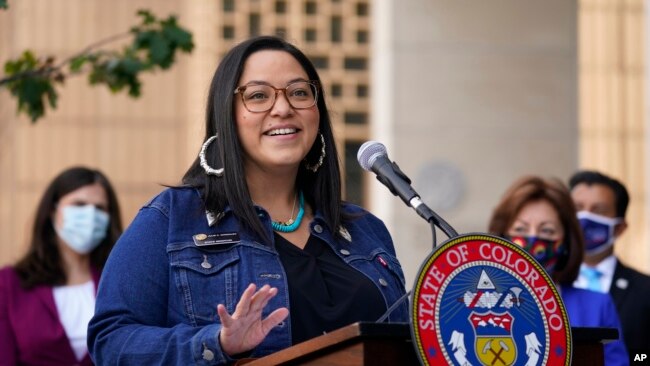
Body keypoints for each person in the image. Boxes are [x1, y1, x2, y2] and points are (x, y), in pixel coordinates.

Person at [88, 35, 408, 364]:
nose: (283, 108)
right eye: (258, 95)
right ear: (227, 115)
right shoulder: (172, 218)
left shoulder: (366, 231)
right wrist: (216, 344)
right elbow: (111, 340)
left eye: (299, 92)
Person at [488, 175, 629, 366]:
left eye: (547, 231)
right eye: (520, 229)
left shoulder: (598, 305)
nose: (533, 239)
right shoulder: (479, 303)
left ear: (566, 242)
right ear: (502, 237)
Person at [0, 166, 123, 366]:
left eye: (99, 209)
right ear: (52, 211)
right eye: (79, 204)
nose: (90, 216)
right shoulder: (10, 284)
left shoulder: (121, 281)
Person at [569, 170, 650, 357]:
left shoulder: (645, 291)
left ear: (620, 227)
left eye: (598, 210)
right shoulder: (548, 286)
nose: (585, 218)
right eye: (577, 208)